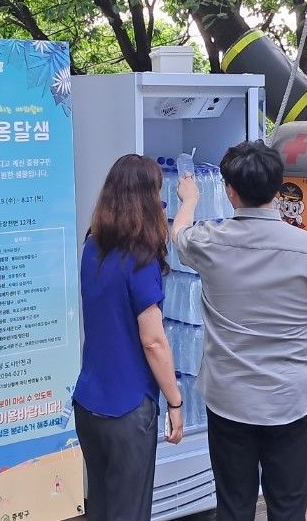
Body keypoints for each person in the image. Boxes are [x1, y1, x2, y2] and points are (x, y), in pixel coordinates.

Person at [172, 141, 307, 520]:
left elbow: (178, 235)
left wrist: (189, 198)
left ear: (230, 192)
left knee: (234, 504)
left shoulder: (209, 241)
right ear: (279, 187)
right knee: (287, 504)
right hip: (288, 398)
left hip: (229, 399)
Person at [73, 153, 184, 521]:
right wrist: (175, 401)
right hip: (128, 409)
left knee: (101, 508)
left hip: (88, 402)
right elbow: (153, 341)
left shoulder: (92, 246)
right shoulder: (141, 260)